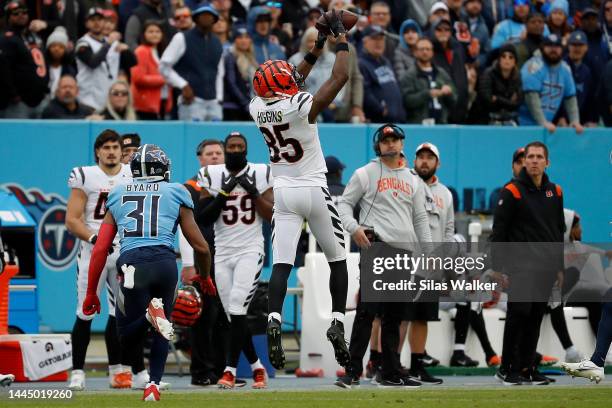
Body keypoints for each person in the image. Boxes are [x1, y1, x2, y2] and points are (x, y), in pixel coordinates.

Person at [248, 9, 351, 370]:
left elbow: (291, 80)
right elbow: (339, 79)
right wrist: (341, 42)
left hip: (285, 193)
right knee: (337, 262)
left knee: (281, 264)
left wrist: (316, 46)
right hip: (315, 189)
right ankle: (337, 321)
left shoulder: (257, 107)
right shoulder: (301, 104)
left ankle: (273, 318)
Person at [82, 144, 213, 401]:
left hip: (133, 266)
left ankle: (147, 319)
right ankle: (153, 384)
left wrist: (90, 292)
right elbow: (201, 247)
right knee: (163, 327)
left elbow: (99, 250)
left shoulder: (118, 192)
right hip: (164, 265)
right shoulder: (177, 191)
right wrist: (205, 276)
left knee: (125, 336)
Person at [335, 124, 433, 389]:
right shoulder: (365, 173)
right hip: (376, 248)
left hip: (404, 252)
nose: (390, 144)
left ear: (402, 144)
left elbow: (420, 218)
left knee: (395, 315)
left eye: (395, 140)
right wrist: (354, 229)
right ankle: (352, 370)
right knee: (367, 311)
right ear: (378, 145)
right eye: (385, 140)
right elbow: (343, 204)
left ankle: (389, 371)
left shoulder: (413, 179)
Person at [197, 132, 274, 389]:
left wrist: (253, 194)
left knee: (237, 306)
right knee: (233, 315)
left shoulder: (262, 172)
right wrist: (222, 194)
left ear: (247, 149)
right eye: (232, 147)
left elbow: (271, 214)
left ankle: (229, 371)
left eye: (241, 147)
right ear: (225, 149)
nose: (237, 150)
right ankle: (257, 366)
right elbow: (203, 219)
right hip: (223, 252)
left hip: (250, 250)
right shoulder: (211, 174)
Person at [491, 141, 565, 386]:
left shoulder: (555, 192)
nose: (533, 160)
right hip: (519, 266)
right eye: (529, 157)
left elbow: (557, 232)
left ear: (547, 162)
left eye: (538, 157)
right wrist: (498, 268)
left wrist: (559, 267)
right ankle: (507, 368)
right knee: (518, 314)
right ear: (524, 162)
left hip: (545, 267)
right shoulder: (511, 191)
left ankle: (526, 368)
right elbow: (499, 233)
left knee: (534, 317)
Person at [65, 130, 133, 391]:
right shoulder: (85, 175)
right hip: (93, 252)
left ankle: (117, 370)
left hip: (122, 250)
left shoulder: (131, 174)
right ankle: (78, 371)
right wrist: (96, 239)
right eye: (106, 147)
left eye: (115, 146)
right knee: (85, 311)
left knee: (120, 313)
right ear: (98, 151)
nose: (112, 151)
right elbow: (72, 219)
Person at [178, 139, 230, 387]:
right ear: (200, 158)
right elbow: (184, 227)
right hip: (203, 259)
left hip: (229, 257)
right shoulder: (190, 188)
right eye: (209, 153)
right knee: (202, 316)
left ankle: (222, 370)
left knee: (226, 316)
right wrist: (189, 263)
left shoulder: (235, 183)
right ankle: (200, 371)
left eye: (219, 152)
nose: (214, 157)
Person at [160, 3, 225, 121]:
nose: (206, 18)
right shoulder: (181, 38)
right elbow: (164, 66)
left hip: (213, 102)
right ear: (196, 18)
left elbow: (219, 72)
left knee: (216, 138)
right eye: (203, 15)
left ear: (214, 19)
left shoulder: (217, 42)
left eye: (210, 15)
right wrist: (183, 85)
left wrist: (219, 98)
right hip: (192, 102)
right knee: (193, 138)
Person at [519, 34, 583, 133]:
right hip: (523, 125)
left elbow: (570, 97)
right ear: (542, 48)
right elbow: (531, 97)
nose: (553, 50)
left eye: (557, 46)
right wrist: (543, 122)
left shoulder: (565, 69)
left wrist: (575, 120)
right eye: (549, 46)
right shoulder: (534, 66)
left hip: (547, 127)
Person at [75, 8, 135, 112]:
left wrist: (126, 50)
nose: (96, 23)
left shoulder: (112, 42)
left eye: (100, 19)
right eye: (92, 20)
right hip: (88, 100)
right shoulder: (83, 43)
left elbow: (133, 63)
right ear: (86, 24)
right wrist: (108, 44)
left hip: (109, 100)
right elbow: (93, 62)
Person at [0, 0, 48, 119]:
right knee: (16, 136)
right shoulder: (6, 38)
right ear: (8, 17)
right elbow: (3, 69)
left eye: (24, 12)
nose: (21, 15)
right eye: (15, 13)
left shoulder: (32, 35)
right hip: (18, 103)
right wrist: (14, 95)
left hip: (40, 99)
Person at [401, 37, 456, 124]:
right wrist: (427, 94)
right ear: (415, 52)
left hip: (441, 124)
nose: (425, 52)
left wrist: (449, 92)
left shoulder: (441, 73)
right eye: (422, 49)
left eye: (428, 49)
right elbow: (407, 101)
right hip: (419, 124)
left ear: (432, 52)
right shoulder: (409, 75)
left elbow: (454, 99)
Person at [359, 25, 406, 123]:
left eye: (381, 39)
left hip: (395, 120)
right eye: (374, 39)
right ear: (365, 41)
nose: (378, 42)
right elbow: (365, 92)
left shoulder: (386, 61)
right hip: (377, 121)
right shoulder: (361, 63)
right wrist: (380, 110)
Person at [131, 20, 173, 120]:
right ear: (143, 34)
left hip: (162, 101)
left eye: (157, 31)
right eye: (151, 31)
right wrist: (164, 79)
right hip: (146, 105)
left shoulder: (161, 52)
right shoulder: (141, 51)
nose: (154, 34)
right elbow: (138, 78)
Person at [431, 18, 469, 124]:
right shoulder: (430, 52)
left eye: (447, 29)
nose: (443, 32)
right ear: (433, 31)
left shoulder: (457, 50)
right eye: (439, 29)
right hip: (442, 111)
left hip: (460, 109)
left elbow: (463, 78)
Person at [475, 43, 522, 125]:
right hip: (485, 119)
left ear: (515, 62)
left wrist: (497, 99)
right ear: (499, 59)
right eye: (503, 56)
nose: (507, 60)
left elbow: (517, 104)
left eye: (511, 57)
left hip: (509, 119)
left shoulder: (517, 77)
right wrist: (508, 102)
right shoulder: (488, 74)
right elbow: (487, 100)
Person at [558, 30, 598, 127]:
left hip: (578, 124)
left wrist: (590, 120)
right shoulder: (560, 66)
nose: (577, 49)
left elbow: (589, 98)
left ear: (586, 48)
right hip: (559, 123)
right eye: (574, 45)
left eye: (580, 45)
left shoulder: (586, 71)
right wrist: (559, 117)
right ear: (569, 46)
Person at [223, 23, 258, 121]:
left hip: (247, 107)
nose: (244, 41)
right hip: (233, 108)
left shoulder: (251, 58)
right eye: (240, 37)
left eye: (246, 37)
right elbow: (231, 83)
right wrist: (245, 103)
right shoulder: (230, 57)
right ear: (234, 40)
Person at [45, 26, 76, 96]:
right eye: (53, 46)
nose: (57, 49)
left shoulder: (70, 70)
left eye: (61, 47)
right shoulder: (42, 69)